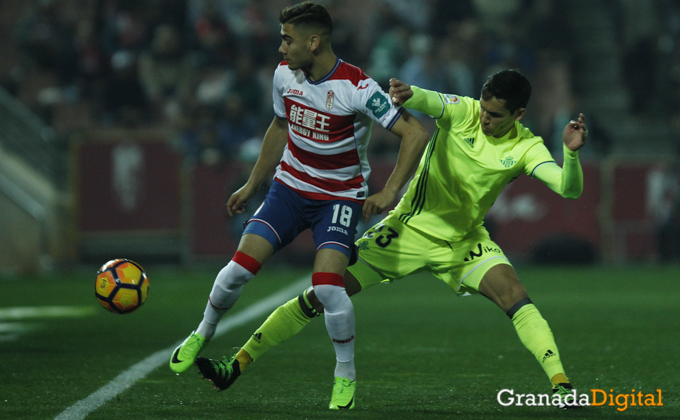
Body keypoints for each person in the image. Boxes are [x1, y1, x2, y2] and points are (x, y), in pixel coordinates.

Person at [198, 69, 589, 410]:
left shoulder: (527, 146)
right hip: (405, 231)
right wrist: (405, 92)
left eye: (495, 114)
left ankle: (562, 386)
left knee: (515, 294)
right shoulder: (463, 111)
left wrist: (570, 156)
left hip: (464, 241)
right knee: (324, 294)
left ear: (519, 114)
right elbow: (427, 100)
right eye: (484, 109)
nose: (485, 117)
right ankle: (236, 365)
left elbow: (568, 189)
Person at [168, 1, 429, 411]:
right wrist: (254, 183)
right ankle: (202, 331)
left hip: (338, 199)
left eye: (287, 39)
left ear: (314, 40)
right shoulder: (284, 76)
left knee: (327, 288)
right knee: (236, 271)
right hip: (289, 190)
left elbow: (415, 133)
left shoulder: (357, 87)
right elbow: (279, 125)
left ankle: (345, 374)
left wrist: (390, 191)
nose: (281, 49)